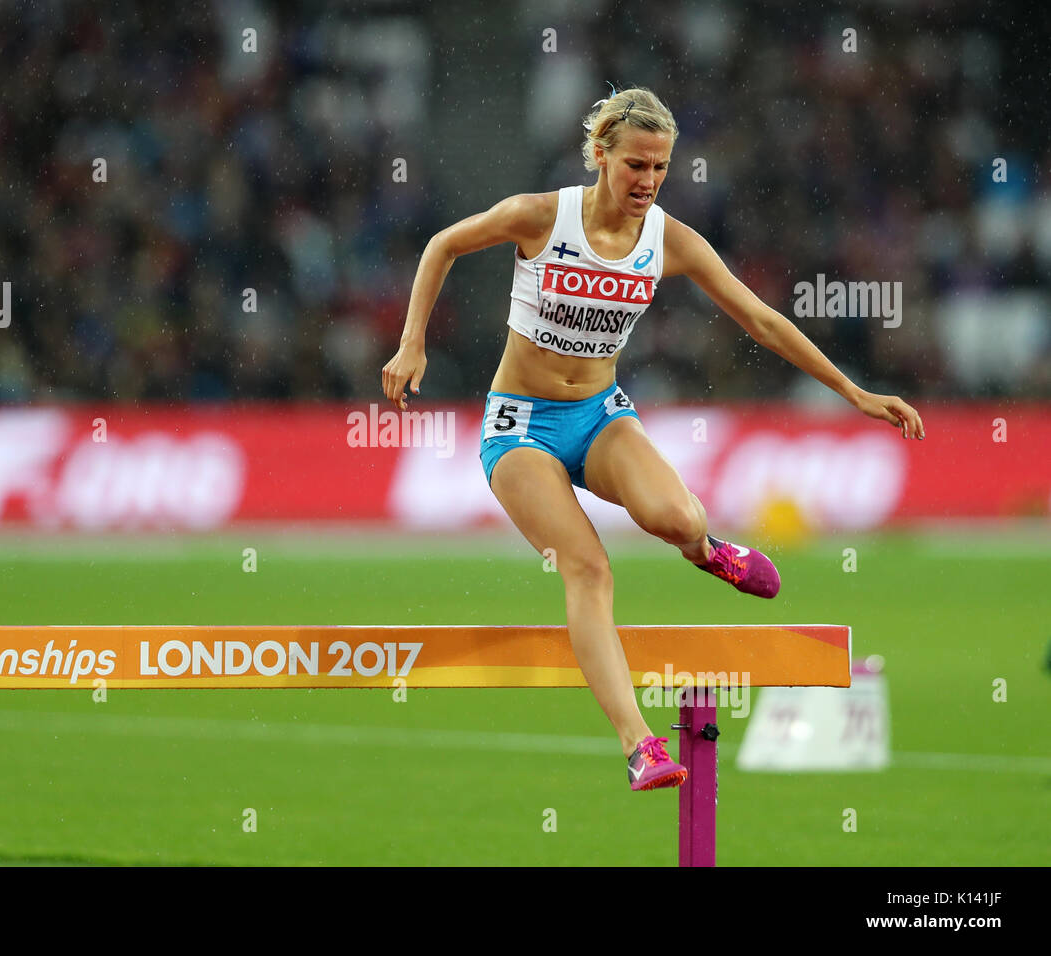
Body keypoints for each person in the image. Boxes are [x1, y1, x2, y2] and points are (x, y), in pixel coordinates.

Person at [381, 86, 925, 790]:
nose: (648, 181)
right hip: (520, 424)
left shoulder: (669, 241)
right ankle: (640, 745)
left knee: (681, 518)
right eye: (636, 164)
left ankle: (707, 550)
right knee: (589, 569)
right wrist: (412, 342)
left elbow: (761, 320)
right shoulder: (541, 216)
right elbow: (442, 245)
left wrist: (855, 393)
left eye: (661, 168)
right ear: (601, 155)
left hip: (601, 415)